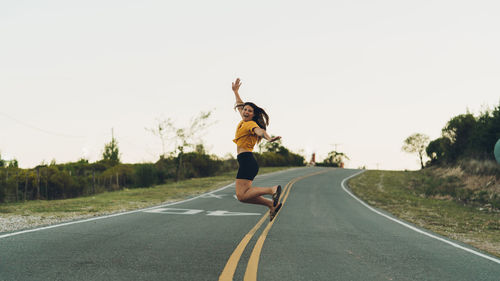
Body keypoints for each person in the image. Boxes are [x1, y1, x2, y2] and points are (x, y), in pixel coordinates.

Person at [231, 78, 283, 221]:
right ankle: (271, 205)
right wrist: (236, 92)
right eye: (245, 110)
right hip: (247, 161)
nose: (245, 111)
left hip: (247, 161)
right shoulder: (243, 120)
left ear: (253, 114)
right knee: (243, 196)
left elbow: (259, 131)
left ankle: (271, 190)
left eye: (249, 110)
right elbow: (240, 105)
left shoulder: (249, 124)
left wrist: (268, 138)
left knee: (241, 196)